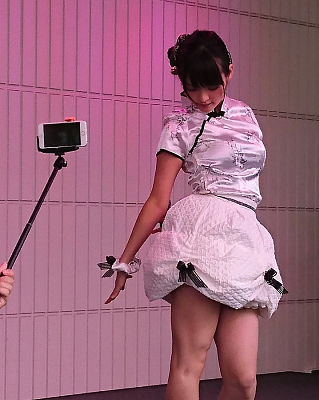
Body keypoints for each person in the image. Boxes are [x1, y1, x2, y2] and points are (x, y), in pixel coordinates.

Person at [105, 30, 287, 400]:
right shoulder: (179, 125)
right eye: (192, 88)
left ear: (229, 72)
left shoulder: (247, 115)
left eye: (211, 86)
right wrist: (125, 262)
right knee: (190, 362)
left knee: (243, 379)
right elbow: (158, 199)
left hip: (243, 239)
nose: (202, 97)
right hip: (201, 235)